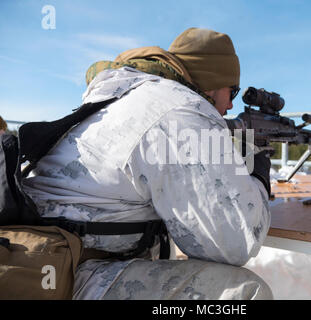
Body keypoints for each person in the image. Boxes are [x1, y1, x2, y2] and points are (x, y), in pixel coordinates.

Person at [22, 28, 273, 300]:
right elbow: (232, 243)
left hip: (40, 261)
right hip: (74, 275)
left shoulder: (126, 96)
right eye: (232, 90)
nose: (231, 104)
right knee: (242, 295)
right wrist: (258, 172)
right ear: (212, 83)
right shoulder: (181, 109)